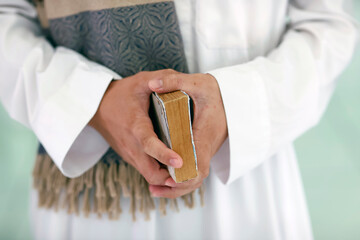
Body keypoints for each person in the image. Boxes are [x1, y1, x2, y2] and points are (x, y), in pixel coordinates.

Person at [0, 0, 358, 239]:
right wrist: (92, 101)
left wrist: (238, 103)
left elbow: (328, 24)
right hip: (94, 195)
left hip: (243, 176)